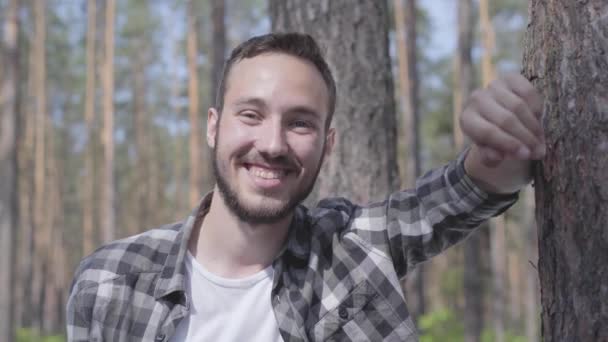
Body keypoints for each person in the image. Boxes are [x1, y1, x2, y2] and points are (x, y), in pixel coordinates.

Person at [67, 33, 545, 342]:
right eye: (250, 115)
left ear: (327, 144)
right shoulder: (112, 281)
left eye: (299, 123)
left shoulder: (352, 252)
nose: (272, 144)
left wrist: (500, 138)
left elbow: (472, 188)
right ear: (213, 126)